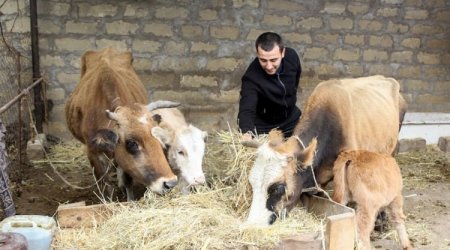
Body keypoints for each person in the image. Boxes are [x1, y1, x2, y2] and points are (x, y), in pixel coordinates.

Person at [237, 32, 302, 141]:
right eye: (263, 60)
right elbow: (247, 108)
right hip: (265, 127)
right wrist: (246, 132)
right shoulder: (251, 78)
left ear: (283, 53)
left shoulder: (292, 57)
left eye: (273, 60)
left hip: (291, 119)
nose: (269, 66)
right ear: (257, 54)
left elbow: (295, 81)